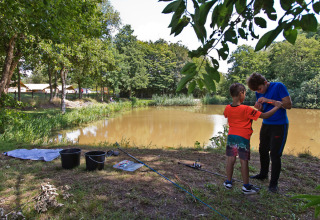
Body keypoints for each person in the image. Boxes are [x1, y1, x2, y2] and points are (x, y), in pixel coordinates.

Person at [223, 83, 283, 194]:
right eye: (245, 93)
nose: (244, 95)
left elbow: (226, 115)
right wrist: (277, 106)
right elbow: (265, 116)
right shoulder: (246, 109)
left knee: (230, 159)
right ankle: (246, 186)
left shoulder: (227, 107)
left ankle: (228, 182)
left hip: (231, 136)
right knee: (243, 161)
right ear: (241, 93)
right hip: (243, 138)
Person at [247, 73, 292, 193]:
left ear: (265, 83)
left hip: (279, 125)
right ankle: (263, 174)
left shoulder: (279, 86)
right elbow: (263, 109)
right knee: (262, 150)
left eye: (260, 89)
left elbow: (288, 105)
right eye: (256, 90)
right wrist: (259, 107)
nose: (259, 92)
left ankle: (273, 184)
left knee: (275, 154)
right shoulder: (258, 92)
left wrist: (269, 100)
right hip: (266, 124)